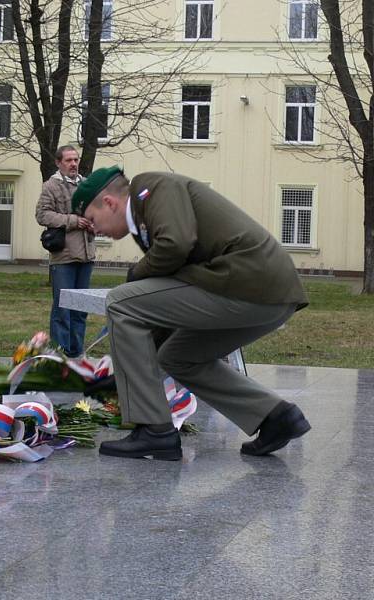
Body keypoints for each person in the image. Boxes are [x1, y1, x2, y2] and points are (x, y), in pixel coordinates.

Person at [72, 166, 311, 460]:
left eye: (93, 220)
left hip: (247, 284)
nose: (94, 231)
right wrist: (125, 373)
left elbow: (176, 244)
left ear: (109, 202)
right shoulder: (144, 218)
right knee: (177, 358)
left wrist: (136, 274)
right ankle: (275, 418)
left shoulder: (152, 187)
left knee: (120, 301)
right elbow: (161, 305)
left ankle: (154, 430)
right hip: (264, 292)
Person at [35, 146, 96, 357]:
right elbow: (42, 215)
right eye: (69, 160)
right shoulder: (51, 186)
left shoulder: (87, 184)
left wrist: (95, 223)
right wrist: (73, 221)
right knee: (63, 310)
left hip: (87, 255)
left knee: (81, 309)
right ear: (59, 163)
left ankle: (77, 353)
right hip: (64, 257)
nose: (73, 164)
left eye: (76, 159)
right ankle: (60, 355)